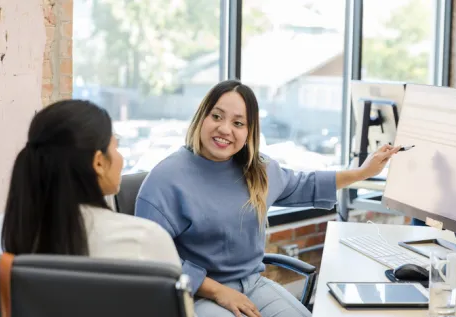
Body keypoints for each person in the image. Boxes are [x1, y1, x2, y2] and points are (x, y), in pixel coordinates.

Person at [135, 80, 400, 317]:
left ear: (249, 131)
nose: (225, 129)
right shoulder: (165, 180)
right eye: (216, 116)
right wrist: (217, 291)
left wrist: (362, 172)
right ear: (201, 117)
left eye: (238, 123)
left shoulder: (256, 169)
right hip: (198, 293)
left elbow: (304, 185)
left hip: (252, 284)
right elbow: (152, 259)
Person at [0, 100, 180, 268]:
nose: (120, 158)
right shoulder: (144, 240)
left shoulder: (6, 230)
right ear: (99, 162)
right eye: (116, 147)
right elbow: (179, 309)